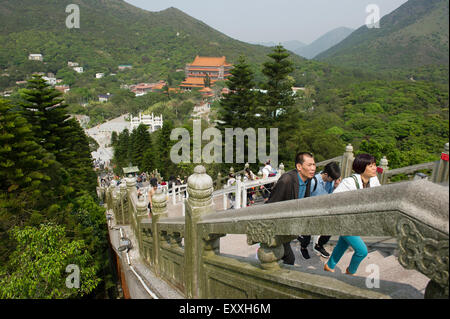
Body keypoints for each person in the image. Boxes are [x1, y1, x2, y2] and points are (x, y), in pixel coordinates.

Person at [324, 154, 381, 275]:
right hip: (343, 220)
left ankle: (329, 266)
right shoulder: (349, 182)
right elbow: (333, 200)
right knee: (362, 251)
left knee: (342, 244)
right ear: (361, 167)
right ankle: (351, 272)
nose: (374, 168)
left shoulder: (374, 180)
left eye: (375, 165)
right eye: (370, 166)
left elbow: (379, 196)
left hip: (356, 221)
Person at [267, 152, 316, 265]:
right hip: (277, 226)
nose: (313, 168)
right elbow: (271, 205)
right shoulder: (286, 180)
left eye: (314, 164)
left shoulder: (307, 179)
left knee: (287, 259)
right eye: (309, 165)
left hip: (288, 226)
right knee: (289, 259)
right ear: (299, 166)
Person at [298, 162, 341, 259]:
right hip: (309, 212)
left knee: (330, 228)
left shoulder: (330, 182)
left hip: (322, 211)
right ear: (326, 174)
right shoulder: (313, 181)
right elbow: (303, 198)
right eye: (333, 178)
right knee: (307, 237)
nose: (334, 181)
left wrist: (335, 187)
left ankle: (319, 245)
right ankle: (303, 247)